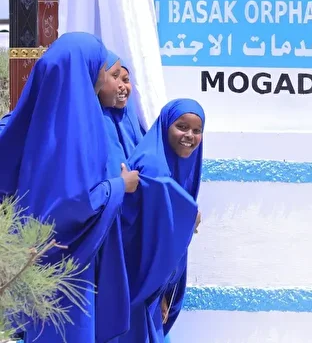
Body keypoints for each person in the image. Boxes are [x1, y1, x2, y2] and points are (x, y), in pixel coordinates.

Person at [0, 32, 140, 342]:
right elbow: (74, 205)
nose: (103, 75)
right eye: (102, 68)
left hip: (31, 262)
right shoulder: (77, 133)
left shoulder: (26, 123)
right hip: (68, 266)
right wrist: (119, 186)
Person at [119, 99, 205, 343]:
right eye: (182, 127)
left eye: (197, 130)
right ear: (166, 126)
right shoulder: (153, 166)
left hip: (152, 285)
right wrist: (186, 215)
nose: (189, 136)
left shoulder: (182, 164)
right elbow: (147, 235)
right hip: (136, 284)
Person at [103, 57, 146, 158]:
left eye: (125, 80)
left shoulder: (136, 121)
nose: (121, 86)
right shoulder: (100, 121)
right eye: (114, 78)